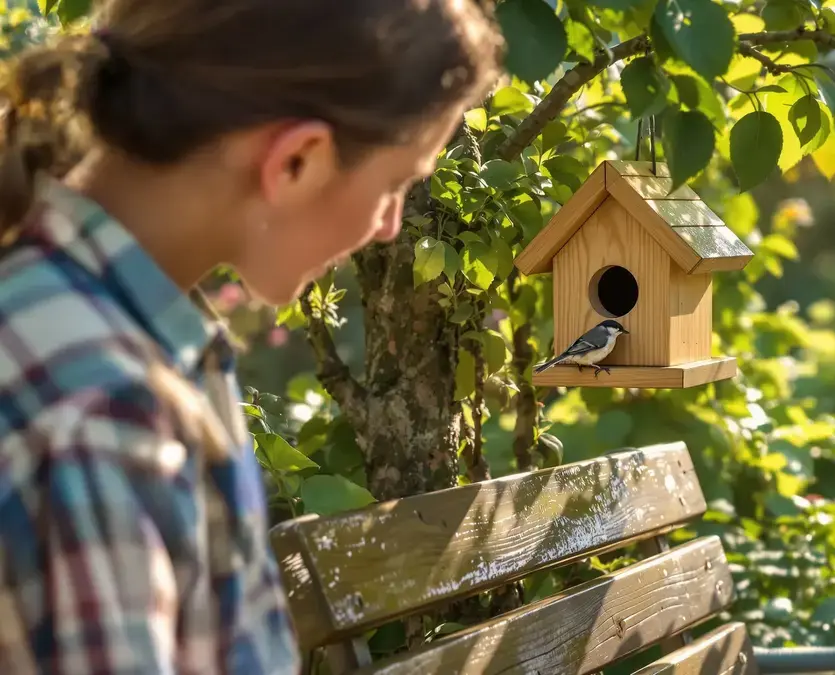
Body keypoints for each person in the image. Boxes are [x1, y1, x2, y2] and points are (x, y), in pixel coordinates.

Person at [0, 0, 502, 671]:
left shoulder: (113, 330)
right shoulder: (101, 409)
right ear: (297, 160)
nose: (389, 224)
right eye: (396, 184)